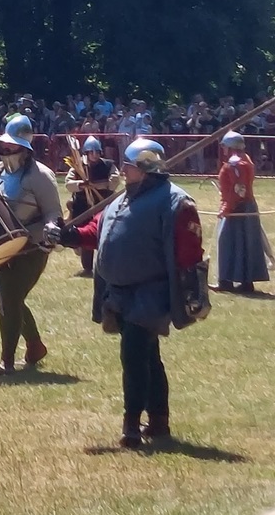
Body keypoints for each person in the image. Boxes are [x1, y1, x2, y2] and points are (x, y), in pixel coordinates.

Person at [59, 138, 209, 447]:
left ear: (143, 168)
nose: (124, 171)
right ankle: (159, 421)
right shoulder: (121, 200)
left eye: (128, 165)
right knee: (148, 357)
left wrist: (190, 293)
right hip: (120, 290)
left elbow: (189, 252)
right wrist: (69, 235)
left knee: (133, 354)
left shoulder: (176, 202)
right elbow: (97, 231)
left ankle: (131, 425)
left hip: (151, 291)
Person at [0, 113, 62, 374]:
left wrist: (50, 227)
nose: (6, 150)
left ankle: (7, 359)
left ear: (24, 148)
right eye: (4, 146)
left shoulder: (41, 176)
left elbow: (53, 212)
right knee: (9, 299)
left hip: (31, 247)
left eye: (11, 146)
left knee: (10, 298)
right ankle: (35, 345)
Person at [214, 131, 268, 294]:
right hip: (246, 205)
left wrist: (226, 208)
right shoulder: (244, 159)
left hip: (239, 207)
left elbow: (239, 190)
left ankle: (227, 281)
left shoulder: (235, 163)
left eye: (224, 146)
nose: (223, 149)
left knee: (227, 242)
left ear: (230, 147)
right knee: (245, 244)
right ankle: (245, 282)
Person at [65, 136, 116, 276]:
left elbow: (114, 181)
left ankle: (106, 266)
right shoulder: (78, 166)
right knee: (84, 238)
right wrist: (81, 184)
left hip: (103, 205)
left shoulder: (108, 165)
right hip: (82, 206)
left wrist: (99, 185)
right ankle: (87, 268)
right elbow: (68, 184)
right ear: (86, 153)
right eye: (91, 152)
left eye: (97, 152)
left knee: (106, 235)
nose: (95, 155)